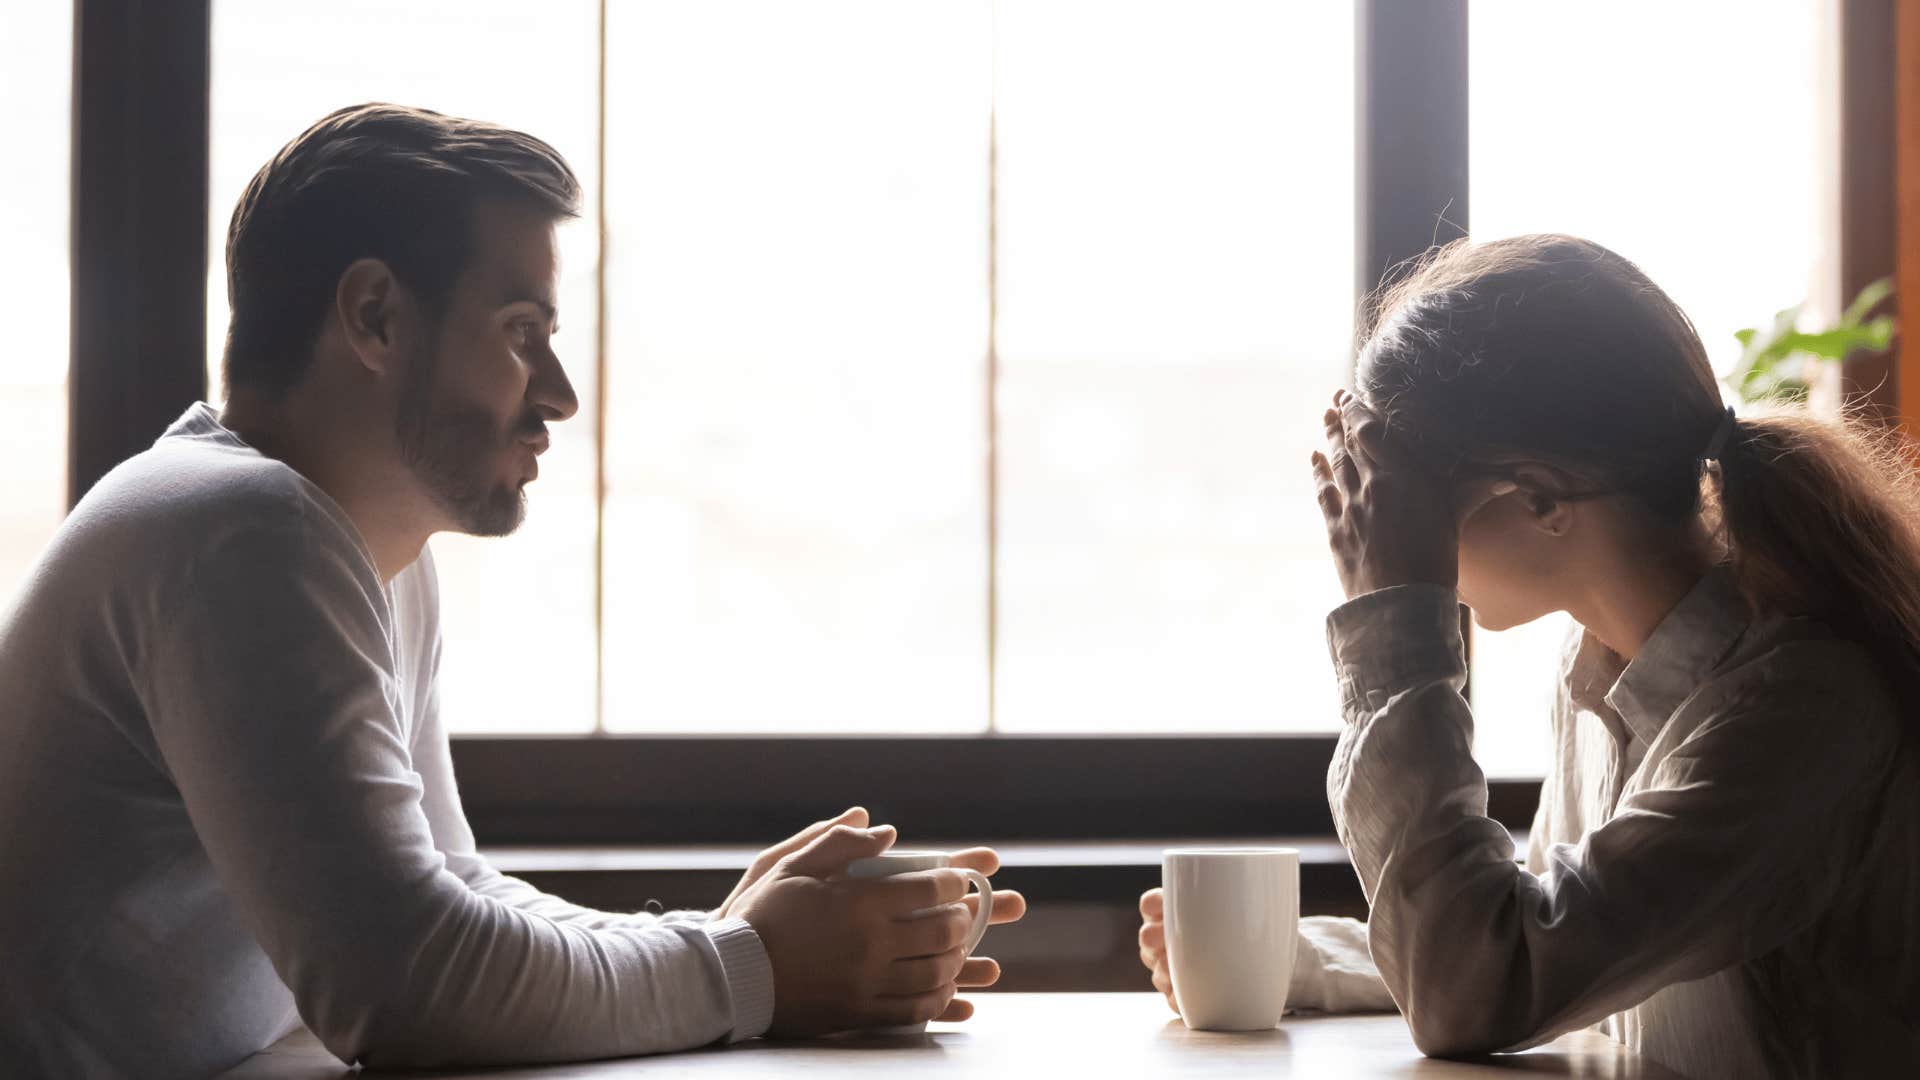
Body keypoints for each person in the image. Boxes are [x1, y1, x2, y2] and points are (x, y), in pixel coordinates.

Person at [0, 103, 1022, 1079]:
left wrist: (737, 943)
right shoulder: (240, 532)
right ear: (375, 318)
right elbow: (407, 985)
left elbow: (448, 895)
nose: (560, 396)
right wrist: (752, 968)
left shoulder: (353, 553)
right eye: (522, 332)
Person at [1140, 235, 1920, 1078]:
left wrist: (1392, 618)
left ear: (1543, 498)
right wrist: (1289, 959)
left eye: (1397, 497)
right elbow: (1555, 937)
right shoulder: (1601, 667)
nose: (1372, 528)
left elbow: (1482, 989)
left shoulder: (1798, 709)